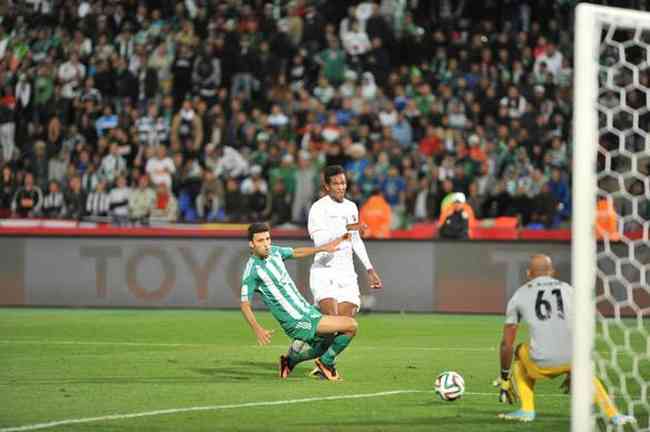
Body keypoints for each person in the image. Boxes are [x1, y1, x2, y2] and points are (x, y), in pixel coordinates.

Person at [496, 255, 636, 426]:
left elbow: (506, 344)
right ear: (552, 272)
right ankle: (614, 415)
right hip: (574, 358)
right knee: (585, 371)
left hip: (541, 362)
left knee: (518, 350)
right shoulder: (570, 290)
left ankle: (527, 410)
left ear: (528, 273)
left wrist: (504, 378)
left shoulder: (519, 295)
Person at [241, 222, 357, 381]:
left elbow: (296, 252)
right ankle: (326, 364)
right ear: (251, 244)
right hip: (295, 320)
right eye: (261, 241)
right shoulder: (252, 271)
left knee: (328, 339)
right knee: (350, 326)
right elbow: (244, 304)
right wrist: (257, 329)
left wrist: (323, 248)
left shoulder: (275, 252)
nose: (266, 244)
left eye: (268, 239)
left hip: (306, 310)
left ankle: (290, 361)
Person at [306, 165, 383, 374]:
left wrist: (369, 269)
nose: (341, 187)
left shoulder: (351, 207)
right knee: (333, 322)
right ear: (326, 186)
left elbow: (356, 241)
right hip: (325, 269)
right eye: (337, 183)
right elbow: (321, 240)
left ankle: (321, 359)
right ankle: (313, 356)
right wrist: (346, 228)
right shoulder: (318, 209)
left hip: (347, 272)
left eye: (343, 182)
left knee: (346, 324)